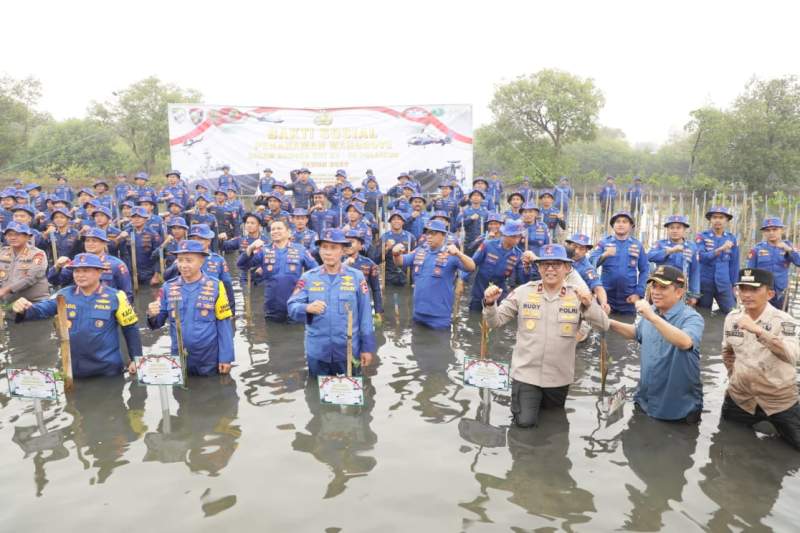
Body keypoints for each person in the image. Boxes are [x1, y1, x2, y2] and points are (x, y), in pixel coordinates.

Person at [483, 244, 609, 428]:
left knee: (554, 423)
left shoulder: (578, 295)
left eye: (556, 264)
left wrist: (590, 305)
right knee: (524, 423)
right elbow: (495, 322)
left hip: (559, 377)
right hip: (526, 374)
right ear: (538, 267)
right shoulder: (523, 292)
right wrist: (489, 303)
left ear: (567, 268)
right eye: (545, 264)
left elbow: (603, 325)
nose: (550, 269)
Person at [12, 253, 142, 378]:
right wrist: (23, 308)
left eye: (86, 270)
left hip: (108, 369)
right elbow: (40, 310)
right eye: (77, 271)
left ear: (100, 272)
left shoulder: (117, 296)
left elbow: (130, 329)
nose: (80, 275)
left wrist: (135, 359)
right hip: (74, 370)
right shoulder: (63, 295)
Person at [608, 265, 705, 422]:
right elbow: (637, 333)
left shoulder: (692, 318)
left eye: (663, 287)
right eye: (654, 286)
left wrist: (651, 316)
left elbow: (686, 342)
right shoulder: (653, 310)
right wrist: (609, 323)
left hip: (676, 408)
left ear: (679, 293)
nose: (655, 291)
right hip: (645, 400)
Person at [720, 268, 800, 449]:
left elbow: (792, 355)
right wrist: (734, 378)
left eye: (754, 289)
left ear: (770, 294)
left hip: (779, 401)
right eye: (742, 289)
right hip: (741, 398)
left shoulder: (785, 321)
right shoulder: (732, 318)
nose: (746, 294)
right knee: (726, 442)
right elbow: (728, 352)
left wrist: (759, 331)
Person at [287, 228, 376, 376]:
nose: (328, 253)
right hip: (317, 352)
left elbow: (365, 315)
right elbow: (291, 307)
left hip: (347, 352)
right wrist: (307, 307)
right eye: (324, 247)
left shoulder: (357, 277)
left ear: (343, 251)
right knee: (316, 394)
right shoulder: (308, 277)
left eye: (334, 248)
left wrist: (367, 348)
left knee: (350, 395)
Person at [147, 240, 234, 376]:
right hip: (179, 357)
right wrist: (152, 314)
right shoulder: (168, 287)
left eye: (189, 260)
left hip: (209, 358)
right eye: (180, 260)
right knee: (181, 394)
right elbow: (157, 323)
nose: (183, 265)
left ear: (201, 261)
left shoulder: (216, 286)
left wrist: (226, 357)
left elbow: (224, 324)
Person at [392, 219, 475, 329]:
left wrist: (459, 254)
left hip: (439, 316)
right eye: (428, 233)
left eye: (433, 233)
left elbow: (471, 267)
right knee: (417, 342)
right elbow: (401, 262)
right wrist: (395, 254)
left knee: (439, 344)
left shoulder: (451, 253)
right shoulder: (420, 251)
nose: (429, 236)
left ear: (443, 235)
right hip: (418, 312)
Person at [238, 219, 317, 322]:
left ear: (288, 232)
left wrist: (307, 292)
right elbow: (242, 265)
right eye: (273, 229)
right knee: (272, 334)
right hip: (272, 305)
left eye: (279, 228)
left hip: (296, 304)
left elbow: (315, 271)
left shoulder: (300, 250)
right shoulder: (264, 250)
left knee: (296, 335)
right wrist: (250, 248)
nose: (275, 231)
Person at [49, 228, 134, 304]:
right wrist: (57, 266)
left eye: (94, 241)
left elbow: (127, 294)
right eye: (87, 240)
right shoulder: (77, 263)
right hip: (82, 307)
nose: (90, 243)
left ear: (104, 243)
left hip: (107, 308)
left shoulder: (116, 265)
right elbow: (56, 281)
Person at [589, 211, 649, 314]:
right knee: (603, 327)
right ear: (613, 225)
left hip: (629, 298)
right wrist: (605, 255)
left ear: (631, 226)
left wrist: (639, 293)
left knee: (627, 327)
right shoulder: (604, 243)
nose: (620, 224)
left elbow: (645, 270)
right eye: (617, 221)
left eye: (625, 222)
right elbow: (591, 263)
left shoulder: (637, 245)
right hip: (606, 297)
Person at [466, 220, 526, 311]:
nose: (517, 240)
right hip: (480, 286)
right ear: (505, 235)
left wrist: (528, 266)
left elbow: (522, 279)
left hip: (499, 288)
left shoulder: (518, 254)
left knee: (498, 317)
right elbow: (472, 263)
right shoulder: (488, 245)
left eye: (519, 236)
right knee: (475, 314)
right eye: (513, 236)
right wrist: (462, 280)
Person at [746, 217, 800, 309]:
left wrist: (788, 250)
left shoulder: (788, 246)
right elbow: (749, 272)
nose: (771, 233)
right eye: (768, 230)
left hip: (781, 293)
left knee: (781, 320)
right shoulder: (757, 249)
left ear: (781, 230)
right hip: (761, 293)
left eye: (775, 229)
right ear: (763, 232)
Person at [647, 215, 701, 305]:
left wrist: (694, 295)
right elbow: (649, 257)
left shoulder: (692, 247)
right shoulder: (660, 244)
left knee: (678, 314)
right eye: (671, 228)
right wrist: (669, 251)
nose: (675, 230)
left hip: (679, 287)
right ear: (667, 230)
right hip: (660, 286)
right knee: (655, 313)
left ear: (684, 230)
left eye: (678, 228)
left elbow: (694, 272)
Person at [696, 206, 739, 314]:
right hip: (704, 283)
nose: (717, 220)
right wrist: (720, 249)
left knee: (732, 313)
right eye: (714, 217)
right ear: (710, 220)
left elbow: (734, 264)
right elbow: (701, 257)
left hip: (724, 284)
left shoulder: (731, 238)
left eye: (721, 217)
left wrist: (734, 285)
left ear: (726, 220)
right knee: (703, 314)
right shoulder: (702, 237)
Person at [0, 222, 49, 304]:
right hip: (8, 303)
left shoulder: (38, 254)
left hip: (33, 303)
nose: (13, 237)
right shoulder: (2, 252)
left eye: (18, 234)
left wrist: (5, 290)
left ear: (28, 237)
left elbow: (30, 278)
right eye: (9, 235)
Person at [344, 229, 383, 318]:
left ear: (360, 246)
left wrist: (378, 311)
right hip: (341, 307)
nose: (348, 245)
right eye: (345, 242)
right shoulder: (335, 262)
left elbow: (376, 289)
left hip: (361, 306)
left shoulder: (370, 264)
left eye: (351, 242)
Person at [377, 210, 416, 287]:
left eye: (399, 219)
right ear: (390, 222)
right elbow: (377, 259)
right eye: (394, 219)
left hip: (406, 277)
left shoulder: (410, 237)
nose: (396, 221)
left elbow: (414, 259)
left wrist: (414, 280)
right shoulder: (384, 237)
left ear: (403, 222)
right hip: (389, 277)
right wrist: (386, 248)